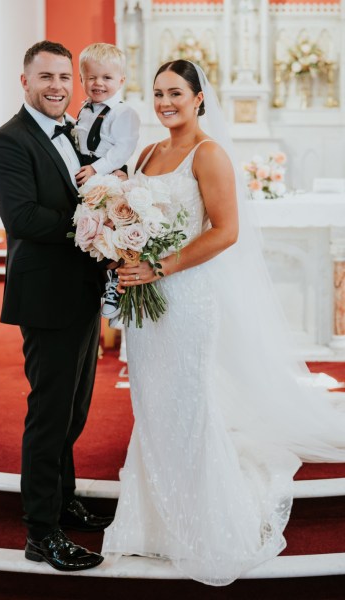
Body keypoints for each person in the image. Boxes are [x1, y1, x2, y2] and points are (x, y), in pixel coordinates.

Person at [101, 60, 345, 585]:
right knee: (150, 399)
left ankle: (204, 520)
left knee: (186, 402)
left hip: (185, 296)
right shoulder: (147, 151)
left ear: (198, 98)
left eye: (176, 94)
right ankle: (152, 519)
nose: (166, 102)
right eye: (159, 93)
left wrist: (159, 265)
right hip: (145, 297)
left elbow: (226, 231)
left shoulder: (208, 154)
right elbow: (130, 214)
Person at [0, 40, 113, 572]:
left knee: (74, 411)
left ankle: (63, 499)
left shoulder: (76, 132)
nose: (58, 86)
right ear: (25, 81)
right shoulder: (8, 141)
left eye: (65, 77)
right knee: (49, 416)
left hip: (80, 293)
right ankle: (42, 532)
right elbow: (24, 219)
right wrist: (100, 227)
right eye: (46, 78)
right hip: (45, 297)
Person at [74, 42, 140, 320]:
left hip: (109, 175)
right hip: (87, 175)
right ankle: (95, 280)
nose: (98, 83)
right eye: (91, 77)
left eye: (107, 78)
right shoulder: (84, 108)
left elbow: (123, 148)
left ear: (121, 80)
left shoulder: (124, 113)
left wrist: (97, 169)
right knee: (91, 229)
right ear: (82, 79)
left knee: (111, 228)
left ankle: (114, 282)